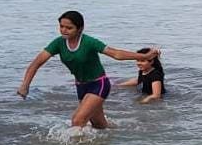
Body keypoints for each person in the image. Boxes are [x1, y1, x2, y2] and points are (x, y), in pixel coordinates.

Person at [16, 11, 159, 128]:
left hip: (99, 84)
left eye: (69, 27)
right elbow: (36, 63)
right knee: (99, 125)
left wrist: (144, 55)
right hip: (81, 86)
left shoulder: (89, 42)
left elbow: (116, 54)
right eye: (61, 26)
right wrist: (25, 85)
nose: (64, 30)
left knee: (77, 121)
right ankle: (124, 133)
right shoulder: (58, 43)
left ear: (80, 29)